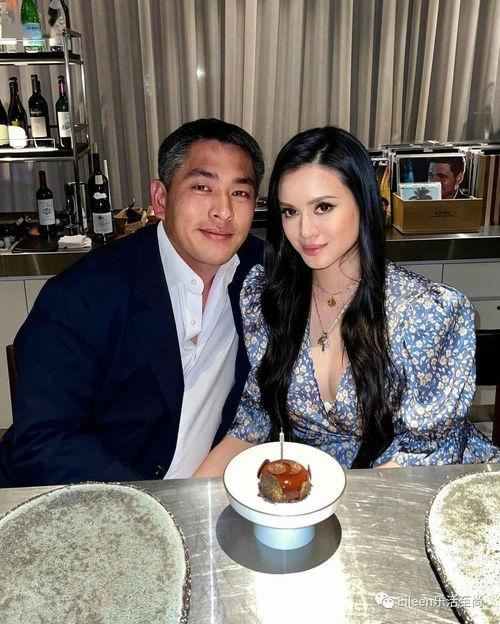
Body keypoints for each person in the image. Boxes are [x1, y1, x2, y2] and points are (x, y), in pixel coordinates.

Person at [196, 126, 499, 476]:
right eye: (290, 212)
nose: (305, 231)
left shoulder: (424, 312)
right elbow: (254, 418)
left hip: (415, 485)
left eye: (323, 207)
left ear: (363, 203)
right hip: (318, 486)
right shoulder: (267, 296)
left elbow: (427, 453)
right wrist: (184, 497)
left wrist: (337, 502)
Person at [0, 118, 264, 487]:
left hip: (206, 488)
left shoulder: (261, 272)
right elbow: (44, 442)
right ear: (161, 199)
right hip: (97, 497)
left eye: (240, 192)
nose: (223, 211)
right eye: (202, 187)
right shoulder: (83, 295)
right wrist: (149, 504)